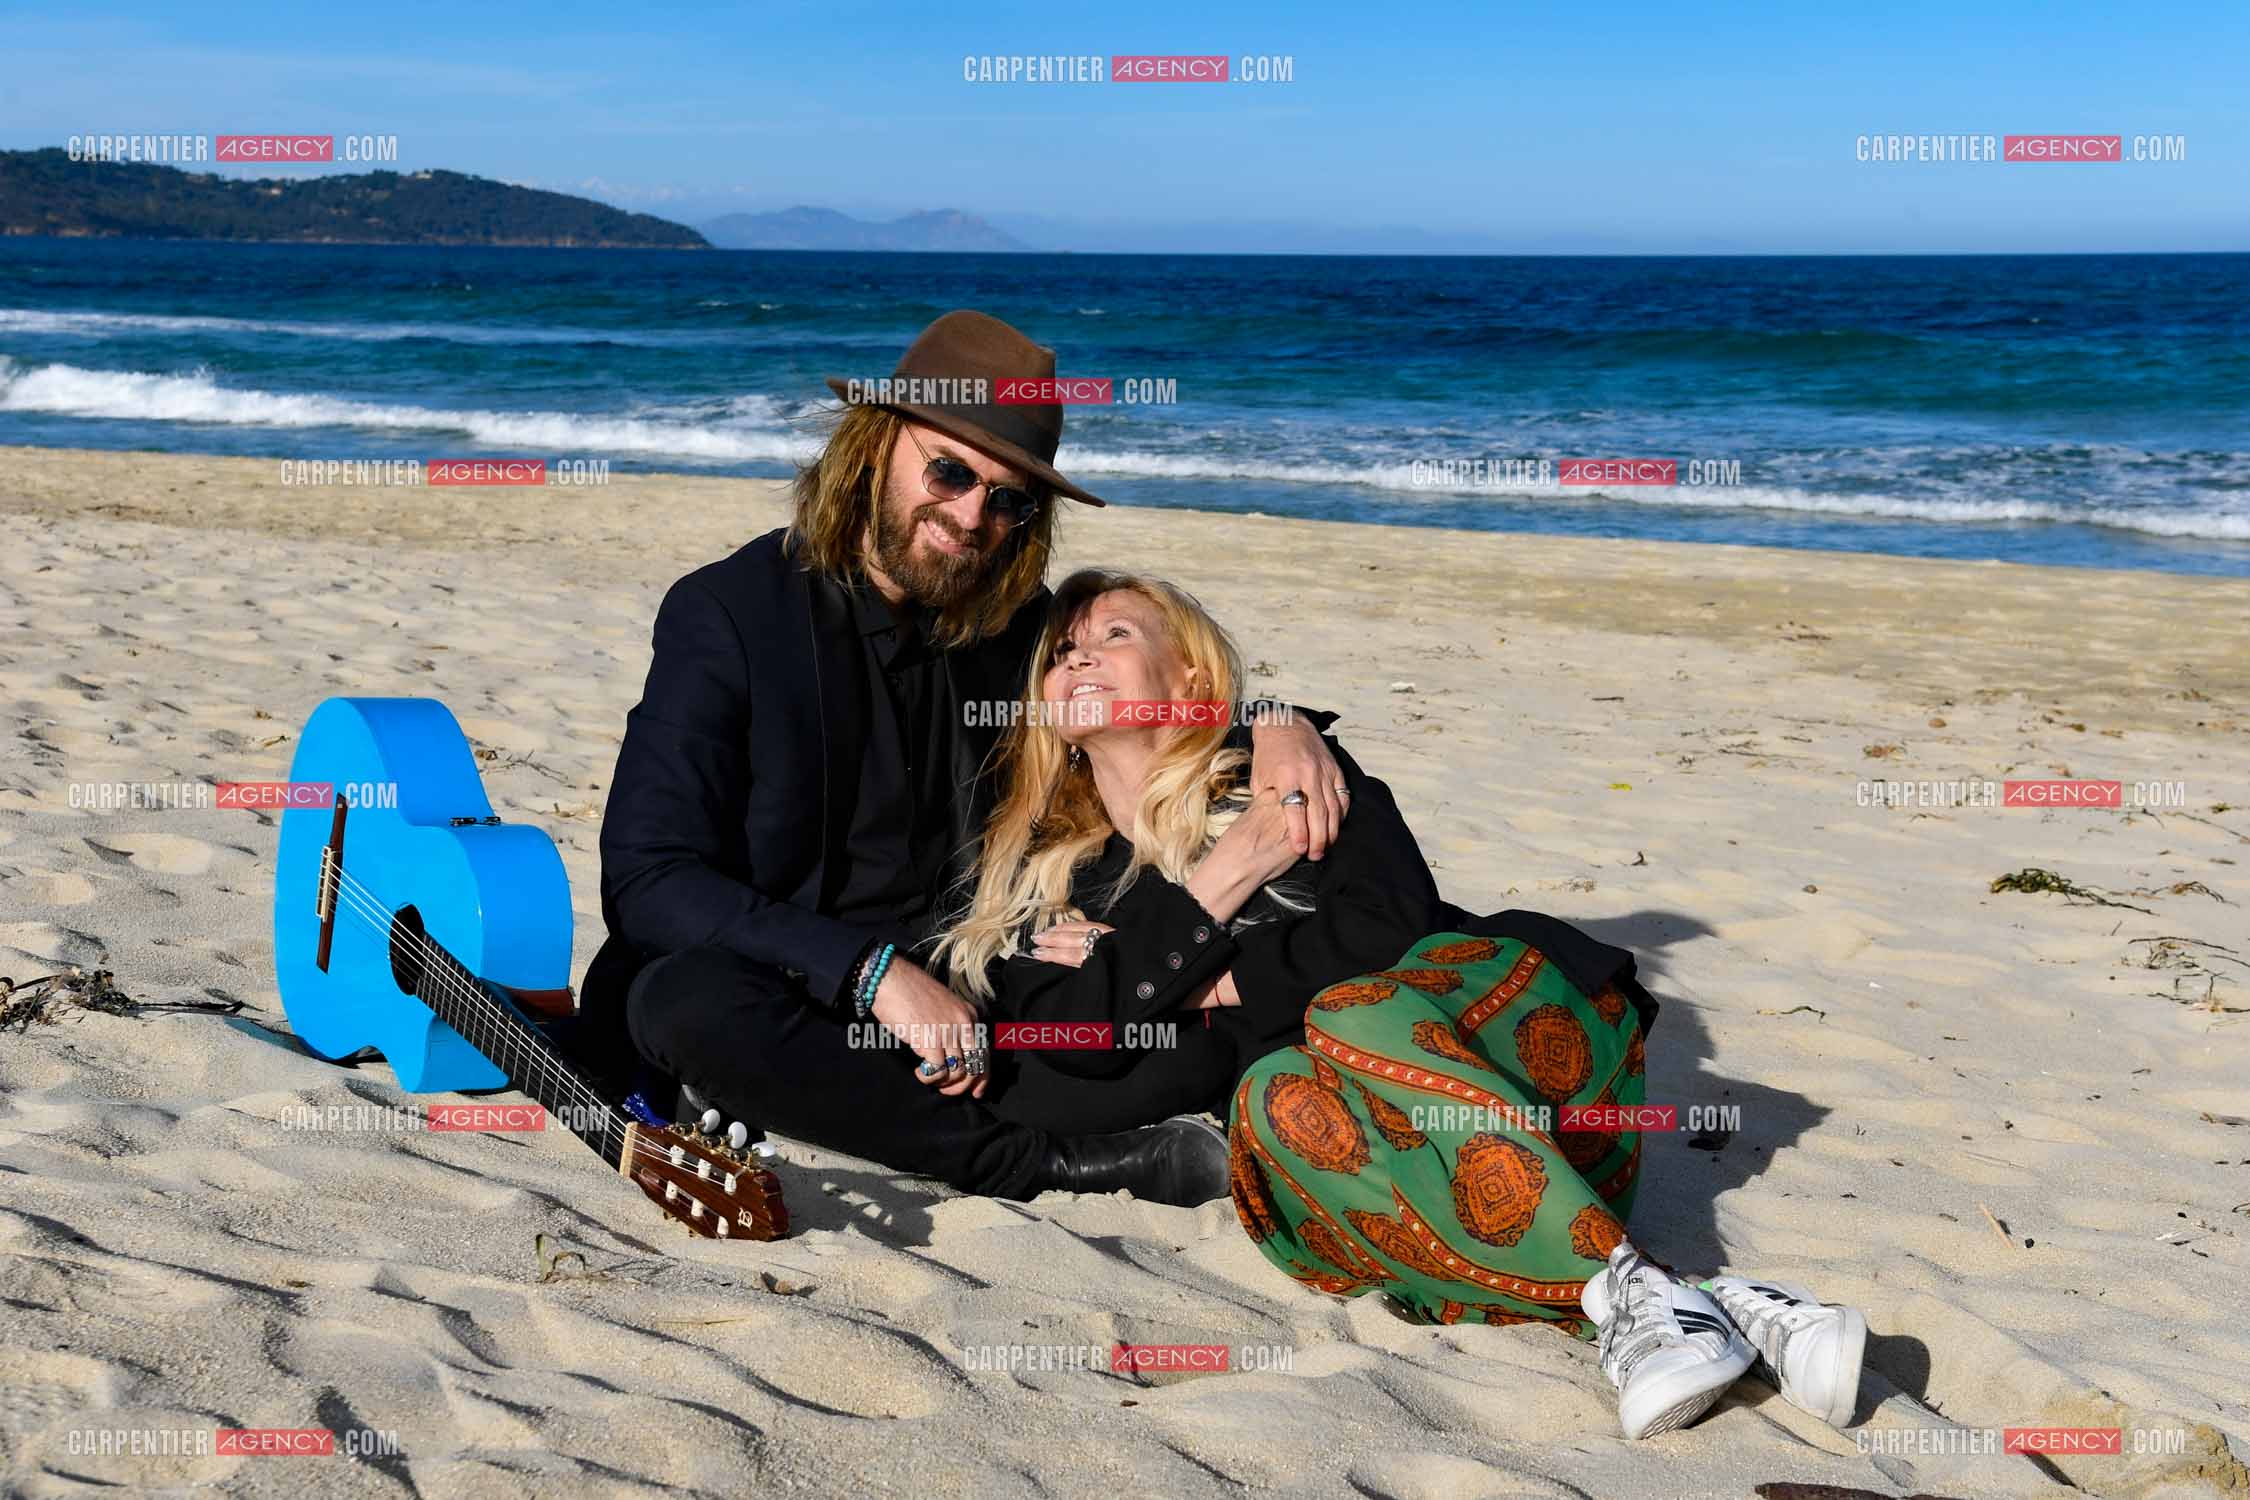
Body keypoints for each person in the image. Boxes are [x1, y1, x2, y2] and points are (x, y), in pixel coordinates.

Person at [934, 568, 1870, 1440]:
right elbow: (1081, 1057)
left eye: (1114, 635)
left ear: (1190, 678)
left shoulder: (1289, 772)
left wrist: (1192, 977)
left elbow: (1390, 927)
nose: (1079, 658)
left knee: (1348, 1012)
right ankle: (1695, 1303)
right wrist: (1226, 878)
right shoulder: (1057, 886)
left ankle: (1640, 1292)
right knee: (1274, 1111)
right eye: (1062, 652)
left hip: (1522, 1048)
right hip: (1448, 1166)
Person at [572, 310, 1348, 1208]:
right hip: (781, 975)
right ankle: (1044, 1165)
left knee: (1159, 1016)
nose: (974, 517)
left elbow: (1148, 689)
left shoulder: (1014, 626)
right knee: (681, 1004)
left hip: (974, 983)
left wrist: (1276, 719)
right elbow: (647, 877)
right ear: (873, 447)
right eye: (948, 472)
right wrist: (871, 976)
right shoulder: (730, 616)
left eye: (1010, 500)